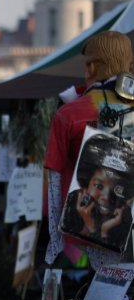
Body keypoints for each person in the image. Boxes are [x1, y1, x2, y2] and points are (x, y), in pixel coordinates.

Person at [45, 30, 134, 269]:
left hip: (80, 242)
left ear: (91, 68)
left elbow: (54, 183)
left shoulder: (68, 114)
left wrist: (55, 241)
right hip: (130, 240)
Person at [60, 133, 134, 251]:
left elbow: (110, 253)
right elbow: (70, 250)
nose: (106, 196)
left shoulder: (125, 219)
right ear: (87, 183)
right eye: (99, 186)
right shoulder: (71, 204)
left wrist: (95, 227)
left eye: (117, 189)